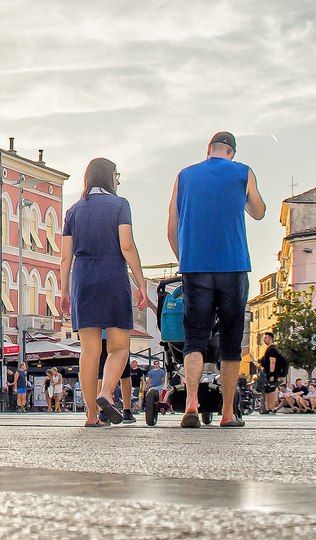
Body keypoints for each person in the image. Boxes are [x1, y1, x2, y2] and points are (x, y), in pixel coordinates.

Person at [166, 131, 265, 428]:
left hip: (195, 266)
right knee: (232, 341)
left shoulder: (184, 176)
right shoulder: (243, 172)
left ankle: (191, 405)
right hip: (233, 265)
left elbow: (171, 227)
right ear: (231, 152)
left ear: (208, 150)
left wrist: (185, 258)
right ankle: (226, 414)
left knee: (194, 338)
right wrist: (243, 199)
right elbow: (259, 212)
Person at [59, 157, 150, 428]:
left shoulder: (73, 211)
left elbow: (65, 257)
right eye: (117, 176)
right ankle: (106, 392)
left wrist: (63, 289)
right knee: (120, 347)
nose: (118, 180)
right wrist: (141, 282)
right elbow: (127, 246)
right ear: (110, 177)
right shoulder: (120, 205)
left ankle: (90, 416)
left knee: (89, 350)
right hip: (113, 276)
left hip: (83, 279)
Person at [257, 333, 285, 414]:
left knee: (271, 391)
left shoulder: (272, 349)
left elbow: (273, 361)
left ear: (270, 339)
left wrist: (272, 374)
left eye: (265, 338)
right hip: (267, 373)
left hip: (272, 373)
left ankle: (271, 408)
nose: (264, 340)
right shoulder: (269, 349)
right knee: (267, 391)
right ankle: (268, 408)